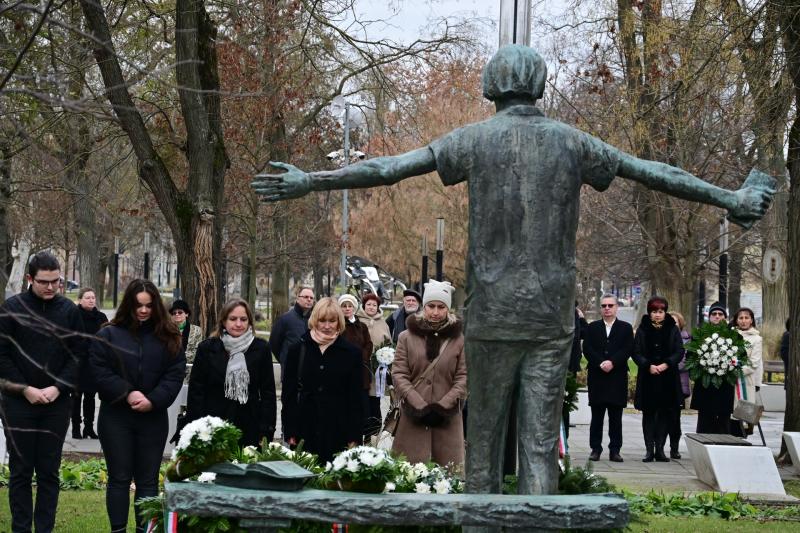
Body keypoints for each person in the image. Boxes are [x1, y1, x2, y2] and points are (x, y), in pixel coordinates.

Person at [252, 44, 775, 497]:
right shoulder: (573, 142)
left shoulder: (474, 140)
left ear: (491, 86)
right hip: (549, 315)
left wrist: (312, 181)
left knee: (484, 439)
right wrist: (729, 196)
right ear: (539, 86)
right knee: (540, 443)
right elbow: (654, 173)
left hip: (493, 314)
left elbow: (389, 169)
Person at [90, 279, 185, 533]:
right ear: (129, 305)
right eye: (138, 305)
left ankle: (145, 530)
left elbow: (174, 375)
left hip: (152, 418)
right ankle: (118, 529)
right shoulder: (107, 334)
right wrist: (128, 393)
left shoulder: (170, 336)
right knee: (119, 479)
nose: (143, 311)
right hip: (116, 417)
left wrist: (152, 399)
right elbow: (99, 372)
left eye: (149, 306)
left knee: (147, 481)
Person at [0, 251, 84, 533]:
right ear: (29, 279)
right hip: (17, 403)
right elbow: (2, 356)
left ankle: (44, 529)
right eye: (43, 282)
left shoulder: (70, 311)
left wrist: (58, 387)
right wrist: (25, 390)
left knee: (49, 472)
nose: (50, 287)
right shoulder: (11, 308)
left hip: (56, 403)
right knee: (21, 473)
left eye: (56, 281)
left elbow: (78, 355)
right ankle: (21, 529)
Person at [391, 280, 467, 467]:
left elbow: (464, 377)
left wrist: (443, 407)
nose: (435, 312)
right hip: (412, 418)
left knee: (448, 480)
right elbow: (399, 373)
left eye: (441, 307)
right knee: (409, 478)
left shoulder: (459, 340)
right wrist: (419, 405)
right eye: (431, 306)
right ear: (423, 306)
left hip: (447, 420)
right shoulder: (406, 338)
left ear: (448, 309)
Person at [281, 297, 363, 462]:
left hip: (338, 429)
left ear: (339, 322)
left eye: (332, 321)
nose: (327, 326)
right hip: (305, 427)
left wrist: (354, 435)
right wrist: (290, 430)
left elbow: (355, 397)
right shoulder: (297, 349)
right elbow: (288, 394)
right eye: (322, 320)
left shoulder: (351, 353)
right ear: (314, 320)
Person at [186, 299, 276, 446]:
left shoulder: (261, 349)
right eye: (233, 319)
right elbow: (196, 391)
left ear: (250, 322)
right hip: (212, 427)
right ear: (223, 321)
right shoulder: (207, 348)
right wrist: (196, 427)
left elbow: (268, 393)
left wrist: (266, 430)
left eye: (243, 319)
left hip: (249, 427)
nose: (238, 324)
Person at [632, 296, 683, 462]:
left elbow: (679, 351)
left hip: (667, 378)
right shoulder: (643, 329)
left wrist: (666, 364)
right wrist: (648, 365)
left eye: (660, 311)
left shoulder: (672, 328)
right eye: (654, 312)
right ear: (649, 312)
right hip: (648, 377)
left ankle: (660, 449)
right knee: (649, 414)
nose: (658, 315)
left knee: (664, 414)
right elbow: (636, 352)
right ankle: (649, 449)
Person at [583, 294, 633, 463]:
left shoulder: (625, 328)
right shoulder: (593, 327)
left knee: (615, 417)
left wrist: (612, 362)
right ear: (600, 308)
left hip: (617, 376)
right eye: (604, 305)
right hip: (597, 376)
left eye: (610, 305)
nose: (607, 308)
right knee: (596, 415)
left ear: (616, 307)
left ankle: (615, 450)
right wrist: (600, 363)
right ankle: (595, 449)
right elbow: (587, 349)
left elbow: (627, 349)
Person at [690, 302, 736, 434]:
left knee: (723, 417)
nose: (717, 316)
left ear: (725, 317)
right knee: (705, 417)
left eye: (720, 314)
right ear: (709, 317)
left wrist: (728, 364)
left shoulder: (733, 335)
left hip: (725, 382)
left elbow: (739, 357)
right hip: (706, 382)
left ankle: (723, 445)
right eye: (714, 314)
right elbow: (691, 356)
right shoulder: (700, 333)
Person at [72, 287, 109, 439]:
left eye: (93, 297)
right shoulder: (73, 315)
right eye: (87, 297)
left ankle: (89, 427)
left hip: (94, 362)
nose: (91, 300)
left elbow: (107, 338)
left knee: (90, 396)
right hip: (77, 362)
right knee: (76, 396)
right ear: (80, 300)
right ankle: (75, 428)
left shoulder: (101, 317)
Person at [337, 294, 373, 442]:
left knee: (361, 407)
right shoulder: (338, 325)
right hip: (343, 371)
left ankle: (364, 437)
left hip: (361, 372)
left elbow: (368, 344)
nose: (347, 309)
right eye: (344, 306)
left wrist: (360, 357)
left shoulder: (362, 326)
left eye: (350, 306)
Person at [357, 293, 391, 438]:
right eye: (369, 304)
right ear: (364, 305)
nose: (371, 307)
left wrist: (386, 356)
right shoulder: (356, 321)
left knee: (374, 402)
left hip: (377, 370)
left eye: (374, 305)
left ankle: (374, 434)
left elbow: (389, 343)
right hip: (361, 369)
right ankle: (361, 432)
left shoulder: (383, 323)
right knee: (362, 402)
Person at [270, 286, 314, 375]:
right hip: (289, 371)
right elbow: (274, 343)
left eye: (311, 298)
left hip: (310, 370)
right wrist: (284, 359)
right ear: (297, 298)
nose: (309, 299)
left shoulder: (315, 320)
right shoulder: (285, 319)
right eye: (305, 297)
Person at [667, 311, 691, 459]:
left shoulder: (686, 339)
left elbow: (684, 361)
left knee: (675, 418)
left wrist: (666, 366)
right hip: (662, 384)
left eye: (675, 322)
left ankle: (674, 448)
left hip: (678, 385)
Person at [732, 307, 763, 416]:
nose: (743, 321)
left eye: (746, 318)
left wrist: (736, 372)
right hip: (729, 381)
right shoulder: (730, 335)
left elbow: (754, 363)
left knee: (742, 415)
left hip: (745, 379)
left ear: (751, 320)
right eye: (741, 318)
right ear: (736, 320)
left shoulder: (756, 339)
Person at [169, 299, 203, 369]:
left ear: (187, 314)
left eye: (180, 312)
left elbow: (197, 352)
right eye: (174, 313)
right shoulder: (168, 331)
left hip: (189, 371)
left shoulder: (197, 330)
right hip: (171, 370)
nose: (177, 314)